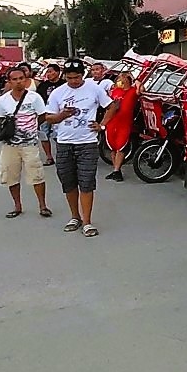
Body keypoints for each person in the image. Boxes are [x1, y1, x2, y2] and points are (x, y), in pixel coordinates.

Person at [44, 58, 118, 238]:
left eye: (76, 77)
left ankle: (87, 221)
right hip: (64, 143)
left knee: (86, 183)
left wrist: (102, 125)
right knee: (68, 182)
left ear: (82, 74)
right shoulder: (58, 93)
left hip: (87, 143)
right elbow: (48, 117)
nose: (73, 81)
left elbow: (111, 106)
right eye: (69, 78)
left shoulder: (95, 89)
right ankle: (74, 216)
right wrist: (62, 115)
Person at [0, 65, 51, 219]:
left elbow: (42, 115)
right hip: (10, 145)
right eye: (15, 79)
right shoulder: (2, 101)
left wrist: (31, 127)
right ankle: (17, 206)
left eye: (21, 79)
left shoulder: (34, 98)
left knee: (36, 174)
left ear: (26, 80)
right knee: (10, 175)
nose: (18, 82)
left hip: (30, 144)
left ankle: (42, 205)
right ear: (9, 82)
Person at [104, 72, 140, 181]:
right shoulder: (115, 91)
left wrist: (135, 80)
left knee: (121, 146)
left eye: (123, 78)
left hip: (124, 123)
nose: (120, 80)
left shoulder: (133, 91)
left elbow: (141, 90)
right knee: (112, 146)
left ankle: (116, 170)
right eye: (119, 78)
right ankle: (116, 170)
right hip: (112, 122)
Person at [36, 64, 65, 165]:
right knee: (44, 135)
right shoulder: (43, 86)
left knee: (59, 136)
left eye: (50, 71)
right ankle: (49, 157)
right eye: (47, 72)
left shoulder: (64, 85)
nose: (48, 74)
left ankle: (63, 156)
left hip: (61, 114)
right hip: (45, 113)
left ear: (57, 72)